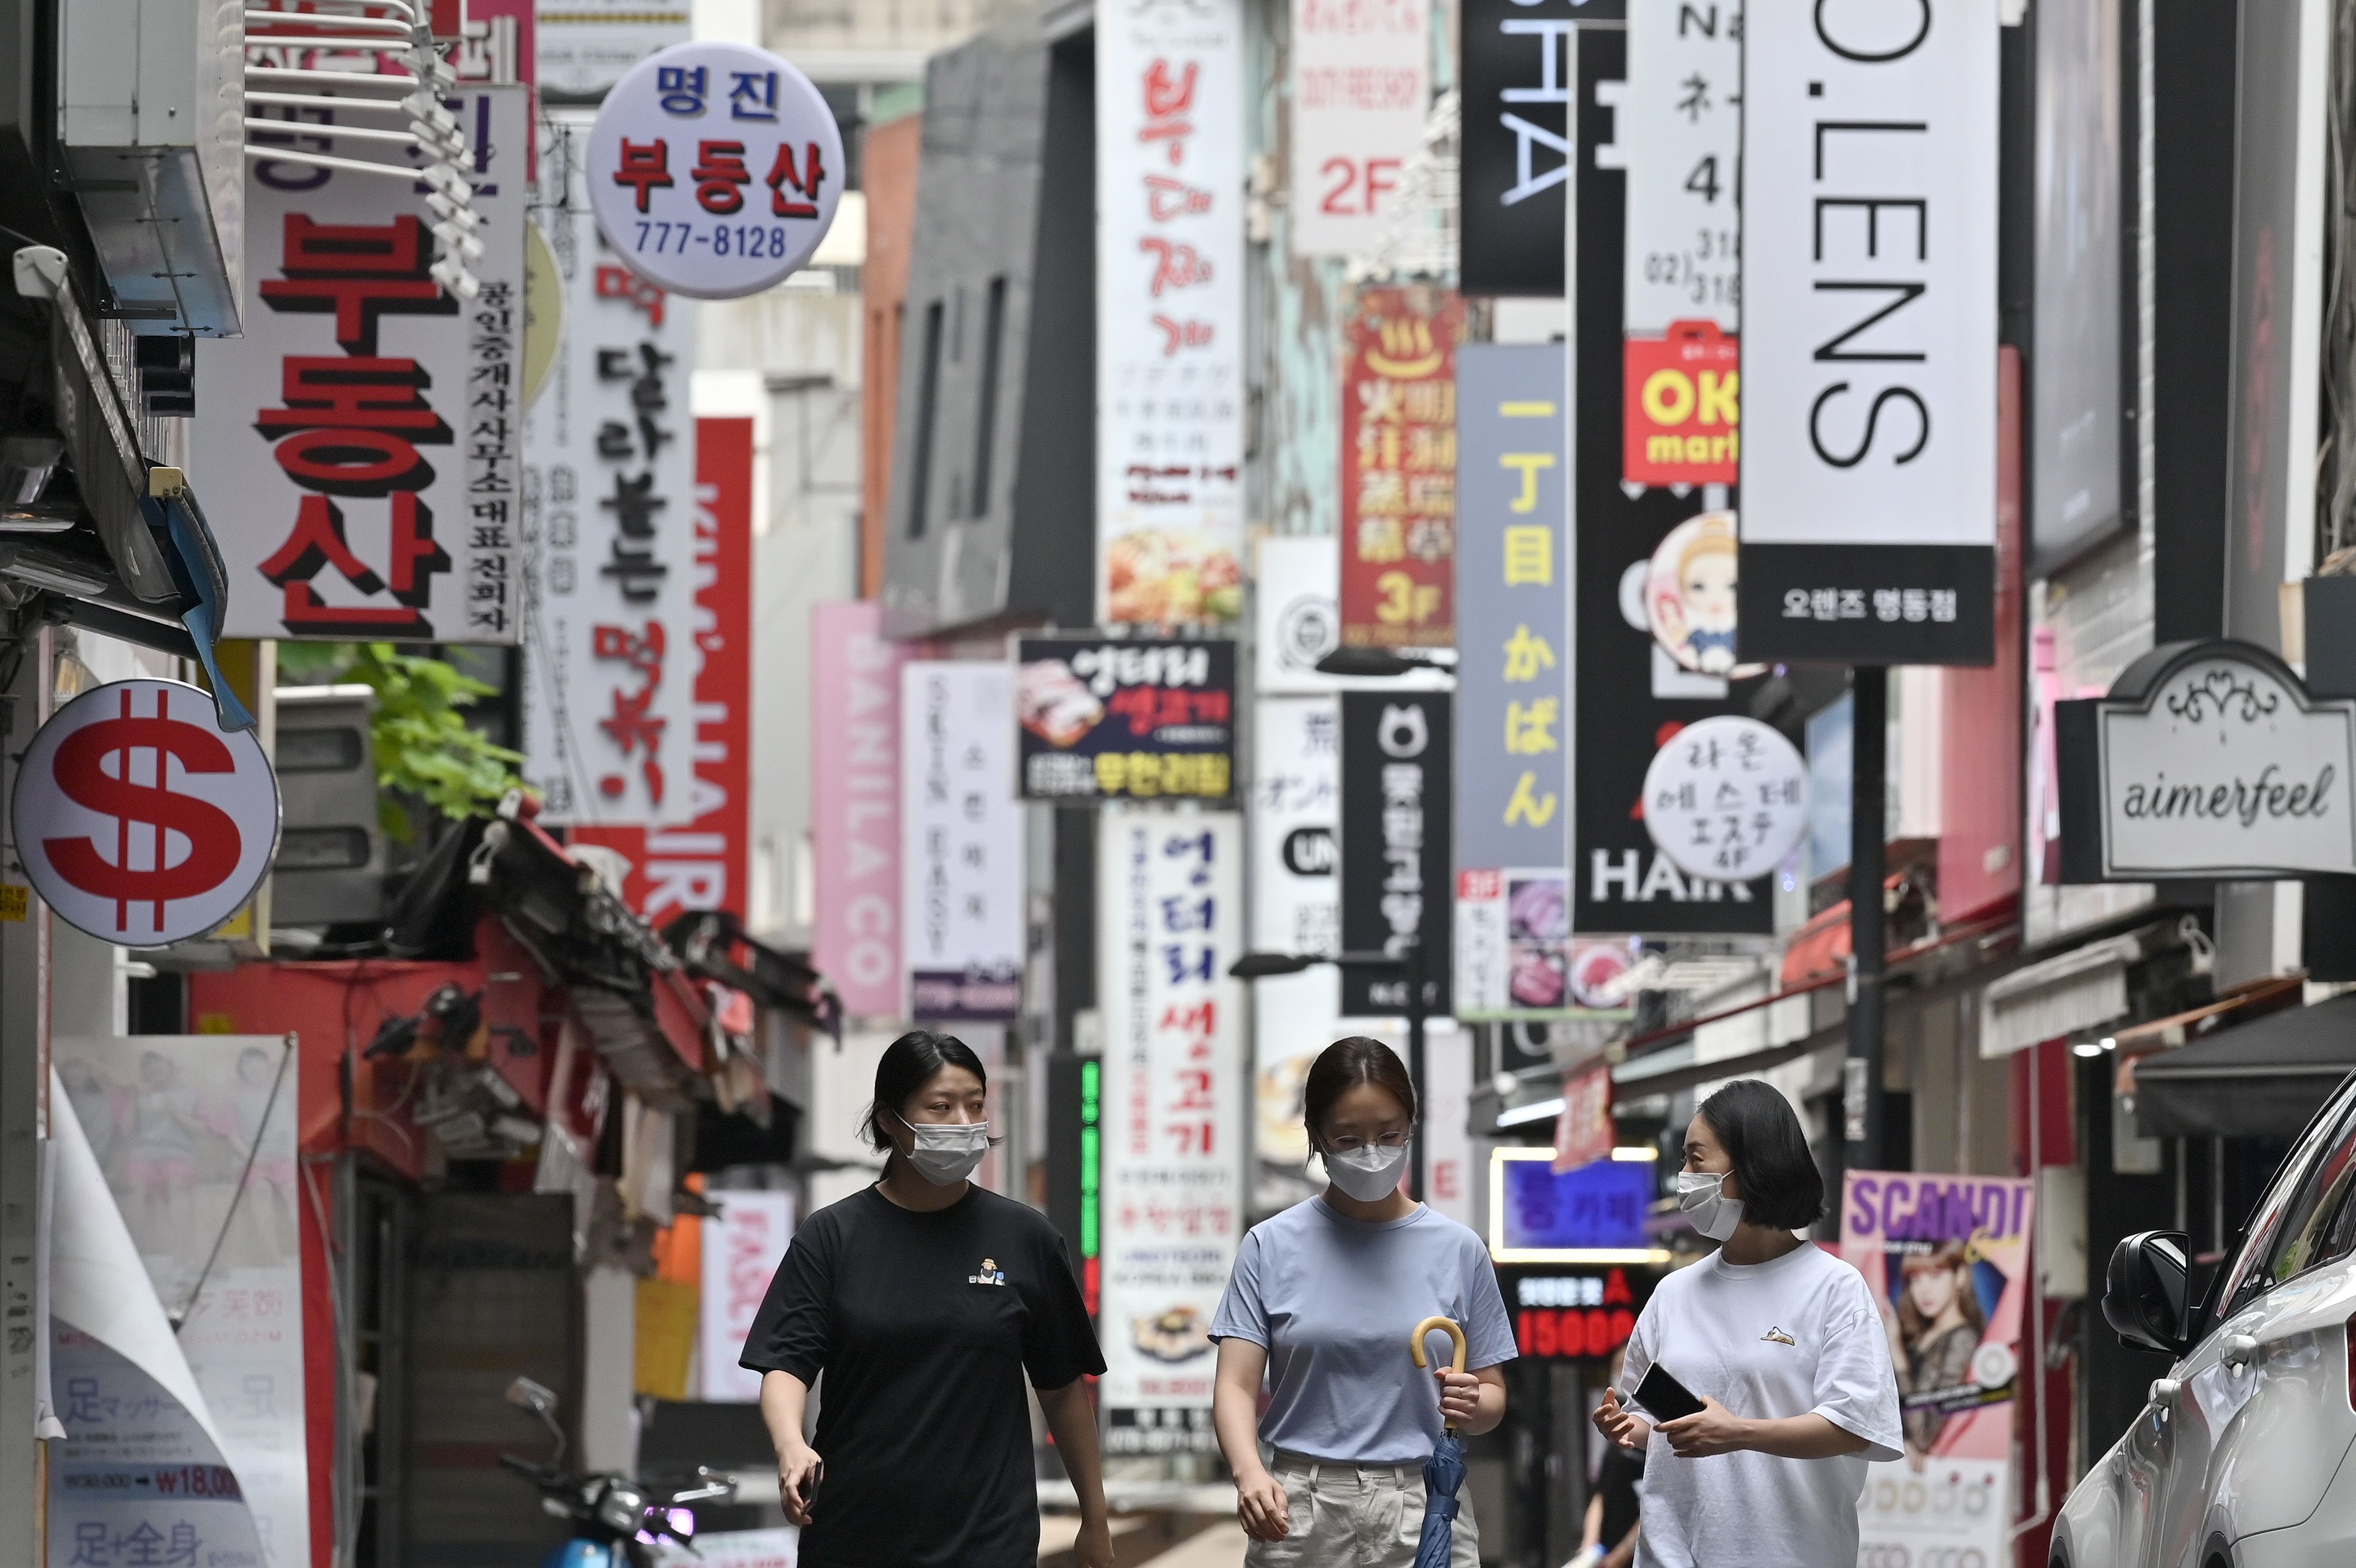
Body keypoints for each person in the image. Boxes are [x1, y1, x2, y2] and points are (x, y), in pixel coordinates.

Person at [742, 1030, 1113, 1568]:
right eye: (941, 1107)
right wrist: (790, 1445)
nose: (965, 1124)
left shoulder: (1025, 1238)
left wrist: (1094, 1518)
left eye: (976, 1105)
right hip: (856, 1534)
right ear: (891, 1120)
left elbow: (1062, 1388)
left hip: (989, 1537)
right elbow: (785, 1365)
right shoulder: (833, 1237)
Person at [1210, 1037, 1516, 1567]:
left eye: (1389, 1135)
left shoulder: (1459, 1249)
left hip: (1425, 1503)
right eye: (1348, 1139)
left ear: (1411, 1128)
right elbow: (1235, 1385)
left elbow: (1491, 1400)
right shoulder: (1270, 1245)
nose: (1372, 1153)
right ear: (1316, 1137)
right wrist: (1250, 1474)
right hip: (1300, 1508)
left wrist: (1474, 1404)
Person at [1593, 1080, 1901, 1568]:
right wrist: (1632, 1428)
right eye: (1683, 1161)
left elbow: (1855, 1426)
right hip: (1669, 1554)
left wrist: (1740, 1432)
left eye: (1697, 1159)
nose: (1683, 1177)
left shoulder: (1834, 1288)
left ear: (1753, 1167)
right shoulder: (1673, 1295)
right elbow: (1660, 1420)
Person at [1890, 1241, 1984, 1466]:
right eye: (1915, 1279)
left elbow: (1924, 1436)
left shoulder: (1963, 1338)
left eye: (1935, 1276)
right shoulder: (1917, 1333)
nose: (1924, 1290)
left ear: (1960, 1276)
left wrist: (1897, 1354)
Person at [1566, 1347, 1642, 1568]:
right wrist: (1589, 1546)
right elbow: (1601, 1495)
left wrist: (1620, 1556)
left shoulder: (1656, 1432)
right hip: (1604, 1552)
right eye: (1617, 1366)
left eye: (1626, 1366)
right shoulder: (1614, 1435)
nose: (1619, 1373)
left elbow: (1654, 1506)